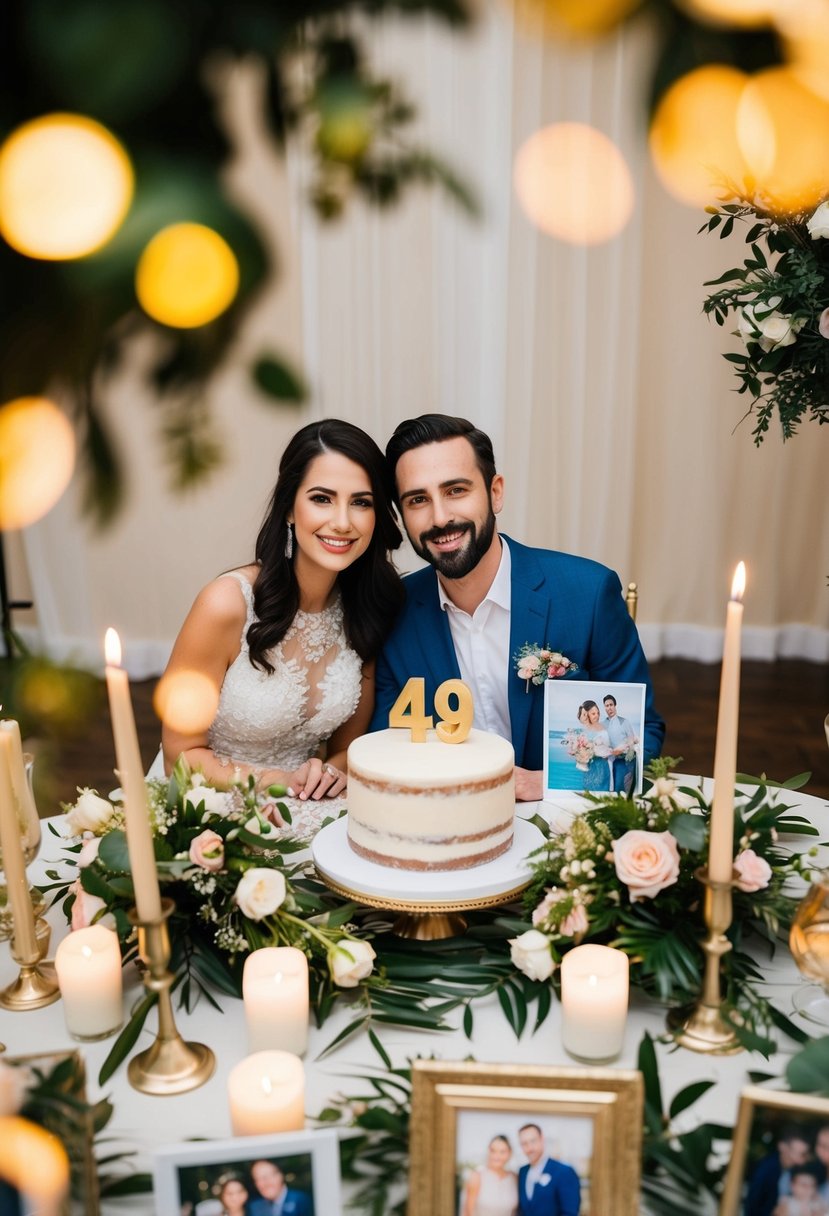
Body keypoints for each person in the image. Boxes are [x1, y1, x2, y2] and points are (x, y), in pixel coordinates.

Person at [370, 415, 664, 800]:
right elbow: (384, 748)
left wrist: (547, 785)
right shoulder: (394, 611)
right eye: (418, 500)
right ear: (401, 515)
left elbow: (644, 737)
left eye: (456, 490)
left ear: (495, 493)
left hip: (561, 823)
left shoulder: (587, 594)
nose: (440, 517)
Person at [160, 419, 404, 833]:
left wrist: (329, 773)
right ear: (290, 507)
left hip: (310, 810)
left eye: (361, 502)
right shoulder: (227, 604)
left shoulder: (367, 608)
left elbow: (346, 750)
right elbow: (179, 754)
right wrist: (271, 782)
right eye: (322, 499)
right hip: (211, 808)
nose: (343, 522)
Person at [744, 1126, 812, 1216]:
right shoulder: (766, 1170)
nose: (800, 1160)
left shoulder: (791, 1170)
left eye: (803, 1155)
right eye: (796, 1153)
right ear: (782, 1146)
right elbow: (753, 1206)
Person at [516, 1124, 580, 1216]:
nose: (529, 1148)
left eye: (533, 1141)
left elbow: (570, 1213)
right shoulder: (523, 1172)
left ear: (542, 1139)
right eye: (524, 1143)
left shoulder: (564, 1172)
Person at [461, 1134, 519, 1216]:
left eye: (502, 1152)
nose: (496, 1156)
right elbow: (467, 1213)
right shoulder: (477, 1176)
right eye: (493, 1151)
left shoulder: (515, 1178)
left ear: (509, 1153)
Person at [246, 1160, 313, 1216]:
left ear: (281, 1175)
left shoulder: (302, 1200)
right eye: (258, 1179)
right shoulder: (254, 1207)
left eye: (268, 1176)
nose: (265, 1183)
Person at [603, 694, 638, 795]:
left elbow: (631, 739)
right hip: (608, 759)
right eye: (607, 705)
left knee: (621, 786)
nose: (609, 708)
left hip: (623, 760)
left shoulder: (624, 722)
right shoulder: (603, 724)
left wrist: (630, 751)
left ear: (615, 705)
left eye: (611, 705)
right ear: (604, 707)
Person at [578, 700, 613, 792]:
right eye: (593, 713)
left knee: (602, 790)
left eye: (598, 713)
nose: (597, 715)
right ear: (587, 715)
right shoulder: (585, 732)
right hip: (592, 764)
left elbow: (609, 745)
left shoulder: (603, 727)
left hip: (603, 764)